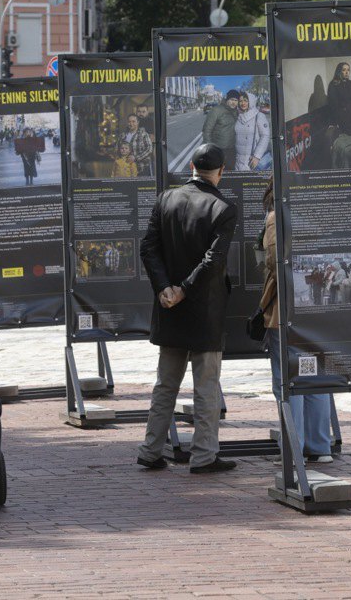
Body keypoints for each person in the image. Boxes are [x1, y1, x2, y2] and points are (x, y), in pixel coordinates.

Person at [136, 143, 238, 474]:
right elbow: (213, 260)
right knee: (206, 386)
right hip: (203, 310)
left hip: (169, 307)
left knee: (165, 383)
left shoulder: (165, 199)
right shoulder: (223, 208)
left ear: (191, 165)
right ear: (221, 172)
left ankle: (151, 450)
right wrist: (184, 290)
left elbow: (148, 248)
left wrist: (165, 288)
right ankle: (204, 455)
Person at [259, 178, 332, 462]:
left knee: (288, 377)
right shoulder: (316, 211)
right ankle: (319, 444)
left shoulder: (277, 214)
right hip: (315, 307)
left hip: (285, 309)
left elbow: (275, 260)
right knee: (316, 373)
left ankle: (294, 446)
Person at [202, 90, 240, 169]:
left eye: (236, 100)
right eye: (232, 100)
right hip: (218, 150)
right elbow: (207, 130)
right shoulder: (216, 110)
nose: (234, 102)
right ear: (227, 99)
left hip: (232, 149)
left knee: (230, 173)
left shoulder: (236, 112)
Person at [234, 92, 270, 171]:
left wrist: (257, 156)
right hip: (238, 160)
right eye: (240, 101)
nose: (243, 103)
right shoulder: (238, 117)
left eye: (246, 100)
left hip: (252, 160)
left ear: (251, 101)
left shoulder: (259, 116)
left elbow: (265, 136)